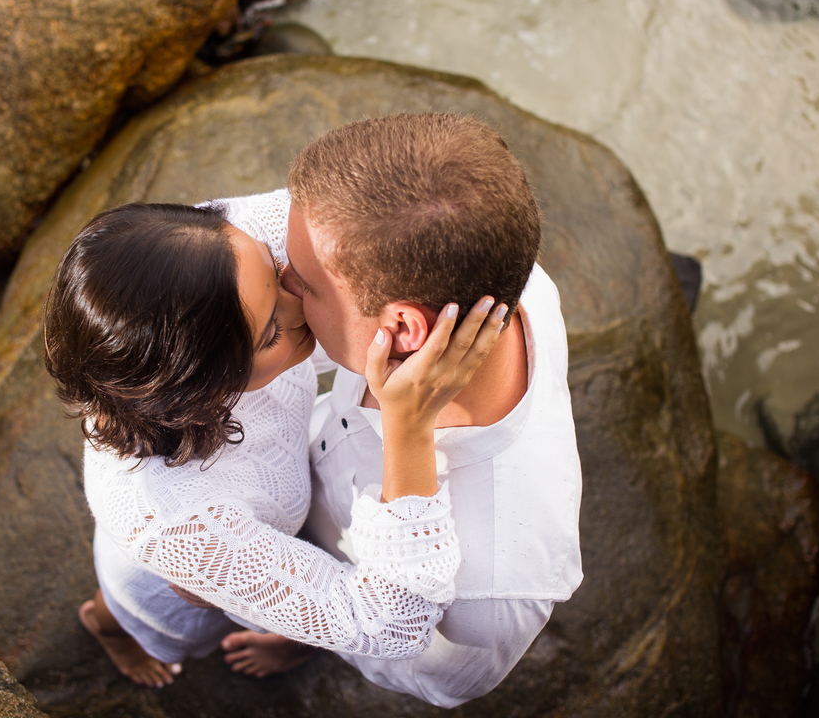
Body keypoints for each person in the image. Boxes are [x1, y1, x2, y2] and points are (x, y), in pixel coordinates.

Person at [42, 200, 508, 687]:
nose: (299, 301)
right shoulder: (178, 523)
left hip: (254, 527)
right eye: (270, 334)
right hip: (167, 585)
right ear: (202, 393)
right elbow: (392, 624)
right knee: (135, 612)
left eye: (274, 264)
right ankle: (106, 629)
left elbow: (363, 212)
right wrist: (408, 426)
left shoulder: (211, 254)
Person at [214, 113, 584, 707]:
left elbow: (426, 655)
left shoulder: (494, 588)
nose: (283, 281)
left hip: (382, 609)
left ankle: (304, 644)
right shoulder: (498, 274)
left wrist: (314, 622)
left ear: (406, 330)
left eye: (305, 282)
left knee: (336, 625)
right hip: (324, 474)